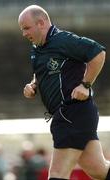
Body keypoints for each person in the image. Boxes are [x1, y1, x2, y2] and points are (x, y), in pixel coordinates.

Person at [18, 5, 110, 180]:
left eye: (26, 28)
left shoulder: (63, 40)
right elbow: (40, 73)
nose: (24, 33)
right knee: (99, 170)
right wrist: (33, 85)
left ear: (41, 23)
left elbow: (98, 53)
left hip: (72, 112)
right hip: (72, 115)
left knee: (57, 175)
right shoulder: (37, 49)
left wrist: (86, 84)